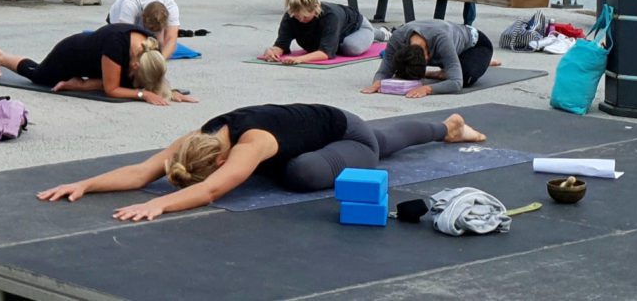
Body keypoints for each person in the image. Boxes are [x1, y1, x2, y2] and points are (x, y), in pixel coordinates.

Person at [36, 104, 487, 221]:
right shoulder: (198, 138)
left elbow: (212, 191)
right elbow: (141, 171)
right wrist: (85, 184)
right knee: (386, 139)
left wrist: (160, 206)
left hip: (345, 133)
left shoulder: (250, 144)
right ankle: (448, 128)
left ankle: (444, 129)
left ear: (223, 158)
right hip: (313, 132)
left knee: (303, 173)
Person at [0, 22, 194, 106]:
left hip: (100, 65)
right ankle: (1, 57)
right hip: (71, 54)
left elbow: (155, 76)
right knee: (38, 75)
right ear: (135, 66)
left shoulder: (150, 47)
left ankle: (78, 84)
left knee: (128, 83)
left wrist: (168, 91)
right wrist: (143, 94)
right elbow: (112, 89)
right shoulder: (115, 45)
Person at [367, 19, 497, 98]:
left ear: (427, 57)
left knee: (466, 77)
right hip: (451, 47)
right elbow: (385, 70)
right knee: (452, 65)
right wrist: (378, 82)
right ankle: (451, 64)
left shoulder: (441, 39)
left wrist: (428, 89)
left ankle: (481, 61)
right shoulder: (398, 38)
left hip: (475, 44)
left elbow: (457, 83)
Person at [261, 0, 376, 64]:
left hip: (356, 27)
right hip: (334, 32)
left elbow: (325, 53)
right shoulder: (290, 16)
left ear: (315, 10)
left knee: (350, 47)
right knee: (325, 45)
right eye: (297, 17)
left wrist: (299, 59)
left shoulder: (330, 16)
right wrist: (272, 51)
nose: (301, 20)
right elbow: (281, 45)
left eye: (305, 17)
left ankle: (379, 33)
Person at [104, 0, 181, 54]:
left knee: (159, 43)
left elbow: (171, 40)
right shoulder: (129, 5)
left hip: (146, 18)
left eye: (158, 29)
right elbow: (124, 38)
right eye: (152, 29)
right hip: (117, 20)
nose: (154, 31)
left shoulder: (171, 6)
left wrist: (160, 59)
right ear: (143, 17)